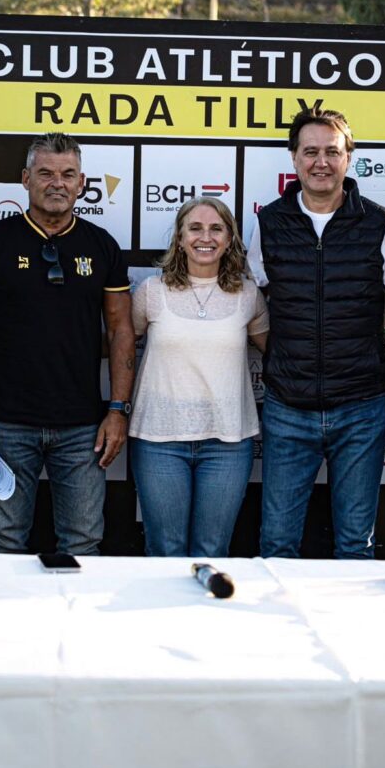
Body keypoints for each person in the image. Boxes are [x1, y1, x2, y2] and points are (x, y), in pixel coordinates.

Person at [0, 132, 135, 556]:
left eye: (68, 174)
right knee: (4, 538)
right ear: (25, 179)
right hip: (7, 424)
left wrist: (118, 410)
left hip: (83, 428)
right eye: (46, 173)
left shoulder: (101, 245)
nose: (57, 183)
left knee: (84, 542)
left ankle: (75, 624)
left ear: (82, 183)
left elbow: (122, 329)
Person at [247, 101, 385, 559]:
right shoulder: (270, 222)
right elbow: (255, 301)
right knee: (277, 542)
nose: (321, 162)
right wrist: (283, 353)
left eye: (332, 151)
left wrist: (352, 333)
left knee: (356, 543)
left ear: (348, 156)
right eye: (310, 152)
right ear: (294, 158)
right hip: (287, 406)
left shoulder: (379, 222)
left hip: (361, 405)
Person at [130, 198, 268, 556]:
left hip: (227, 443)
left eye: (216, 228)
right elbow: (121, 349)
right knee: (165, 550)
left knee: (212, 550)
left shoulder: (248, 296)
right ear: (179, 238)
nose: (205, 237)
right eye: (195, 228)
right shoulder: (151, 293)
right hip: (159, 441)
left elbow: (279, 354)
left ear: (228, 239)